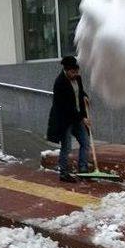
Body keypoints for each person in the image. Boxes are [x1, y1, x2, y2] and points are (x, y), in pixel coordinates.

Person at [46, 55, 91, 183]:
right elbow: (67, 107)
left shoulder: (77, 78)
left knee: (85, 142)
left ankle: (83, 170)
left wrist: (85, 96)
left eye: (77, 71)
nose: (75, 74)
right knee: (66, 147)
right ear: (66, 70)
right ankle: (64, 173)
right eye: (72, 72)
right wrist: (83, 119)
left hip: (77, 118)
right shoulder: (59, 83)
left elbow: (79, 92)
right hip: (65, 119)